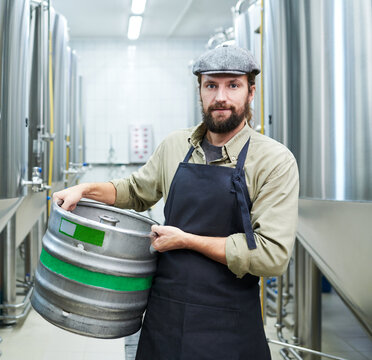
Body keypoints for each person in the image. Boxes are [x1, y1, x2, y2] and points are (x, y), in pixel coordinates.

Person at [53, 45, 299, 359]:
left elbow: (271, 256)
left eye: (232, 85)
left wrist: (186, 240)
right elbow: (134, 190)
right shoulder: (175, 145)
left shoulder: (273, 160)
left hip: (229, 320)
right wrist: (85, 190)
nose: (220, 96)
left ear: (250, 92)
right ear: (200, 90)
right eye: (211, 85)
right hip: (165, 313)